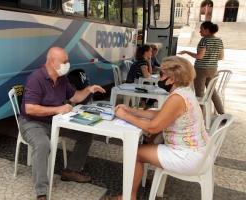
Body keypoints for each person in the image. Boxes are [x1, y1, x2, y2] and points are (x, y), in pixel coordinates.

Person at [108, 56, 208, 200]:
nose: (159, 77)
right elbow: (159, 114)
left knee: (134, 153)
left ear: (172, 78)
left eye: (162, 74)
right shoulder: (184, 92)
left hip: (188, 157)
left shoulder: (177, 98)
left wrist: (125, 116)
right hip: (199, 152)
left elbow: (153, 127)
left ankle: (128, 197)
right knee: (144, 146)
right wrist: (130, 110)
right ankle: (136, 181)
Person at [19, 47, 106, 200]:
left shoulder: (61, 79)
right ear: (52, 62)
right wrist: (59, 109)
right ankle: (41, 192)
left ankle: (71, 170)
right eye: (64, 61)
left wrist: (88, 90)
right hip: (32, 122)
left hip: (55, 122)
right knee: (42, 144)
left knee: (86, 134)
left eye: (68, 61)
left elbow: (74, 97)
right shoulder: (36, 78)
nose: (68, 64)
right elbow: (30, 108)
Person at [179, 21, 224, 114]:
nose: (200, 32)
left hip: (201, 70)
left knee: (200, 94)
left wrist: (186, 52)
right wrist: (211, 57)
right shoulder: (219, 41)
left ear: (207, 30)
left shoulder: (204, 40)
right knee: (212, 92)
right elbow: (221, 57)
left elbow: (199, 56)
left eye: (201, 29)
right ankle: (222, 113)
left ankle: (201, 117)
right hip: (213, 69)